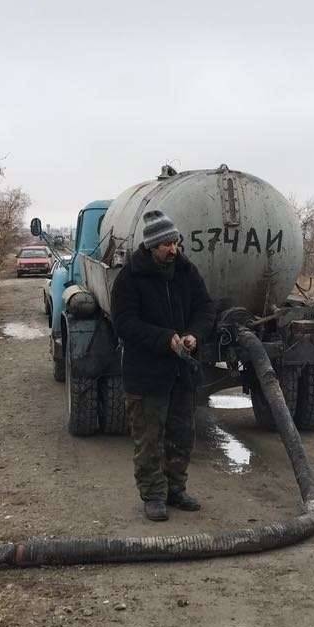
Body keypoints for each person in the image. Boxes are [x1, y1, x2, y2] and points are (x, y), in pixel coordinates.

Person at [111, 209, 215, 522]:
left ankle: (175, 489)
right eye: (167, 244)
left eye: (175, 242)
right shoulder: (130, 278)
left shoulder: (186, 271)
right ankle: (153, 495)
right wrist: (165, 338)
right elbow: (125, 324)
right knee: (149, 439)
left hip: (181, 372)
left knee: (182, 434)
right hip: (146, 375)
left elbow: (205, 308)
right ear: (152, 246)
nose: (173, 249)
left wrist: (194, 335)